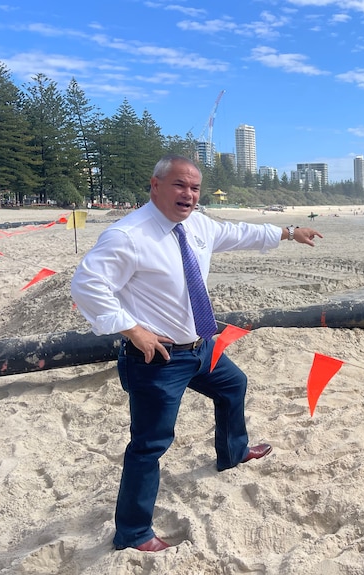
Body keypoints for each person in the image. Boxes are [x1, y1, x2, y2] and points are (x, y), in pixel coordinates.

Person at [71, 154, 323, 553]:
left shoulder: (198, 225)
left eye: (194, 188)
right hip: (158, 360)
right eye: (179, 185)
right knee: (149, 445)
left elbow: (240, 233)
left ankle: (233, 452)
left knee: (233, 386)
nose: (188, 194)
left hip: (201, 347)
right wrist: (134, 330)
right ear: (155, 186)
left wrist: (289, 233)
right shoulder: (128, 235)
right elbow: (87, 285)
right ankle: (133, 533)